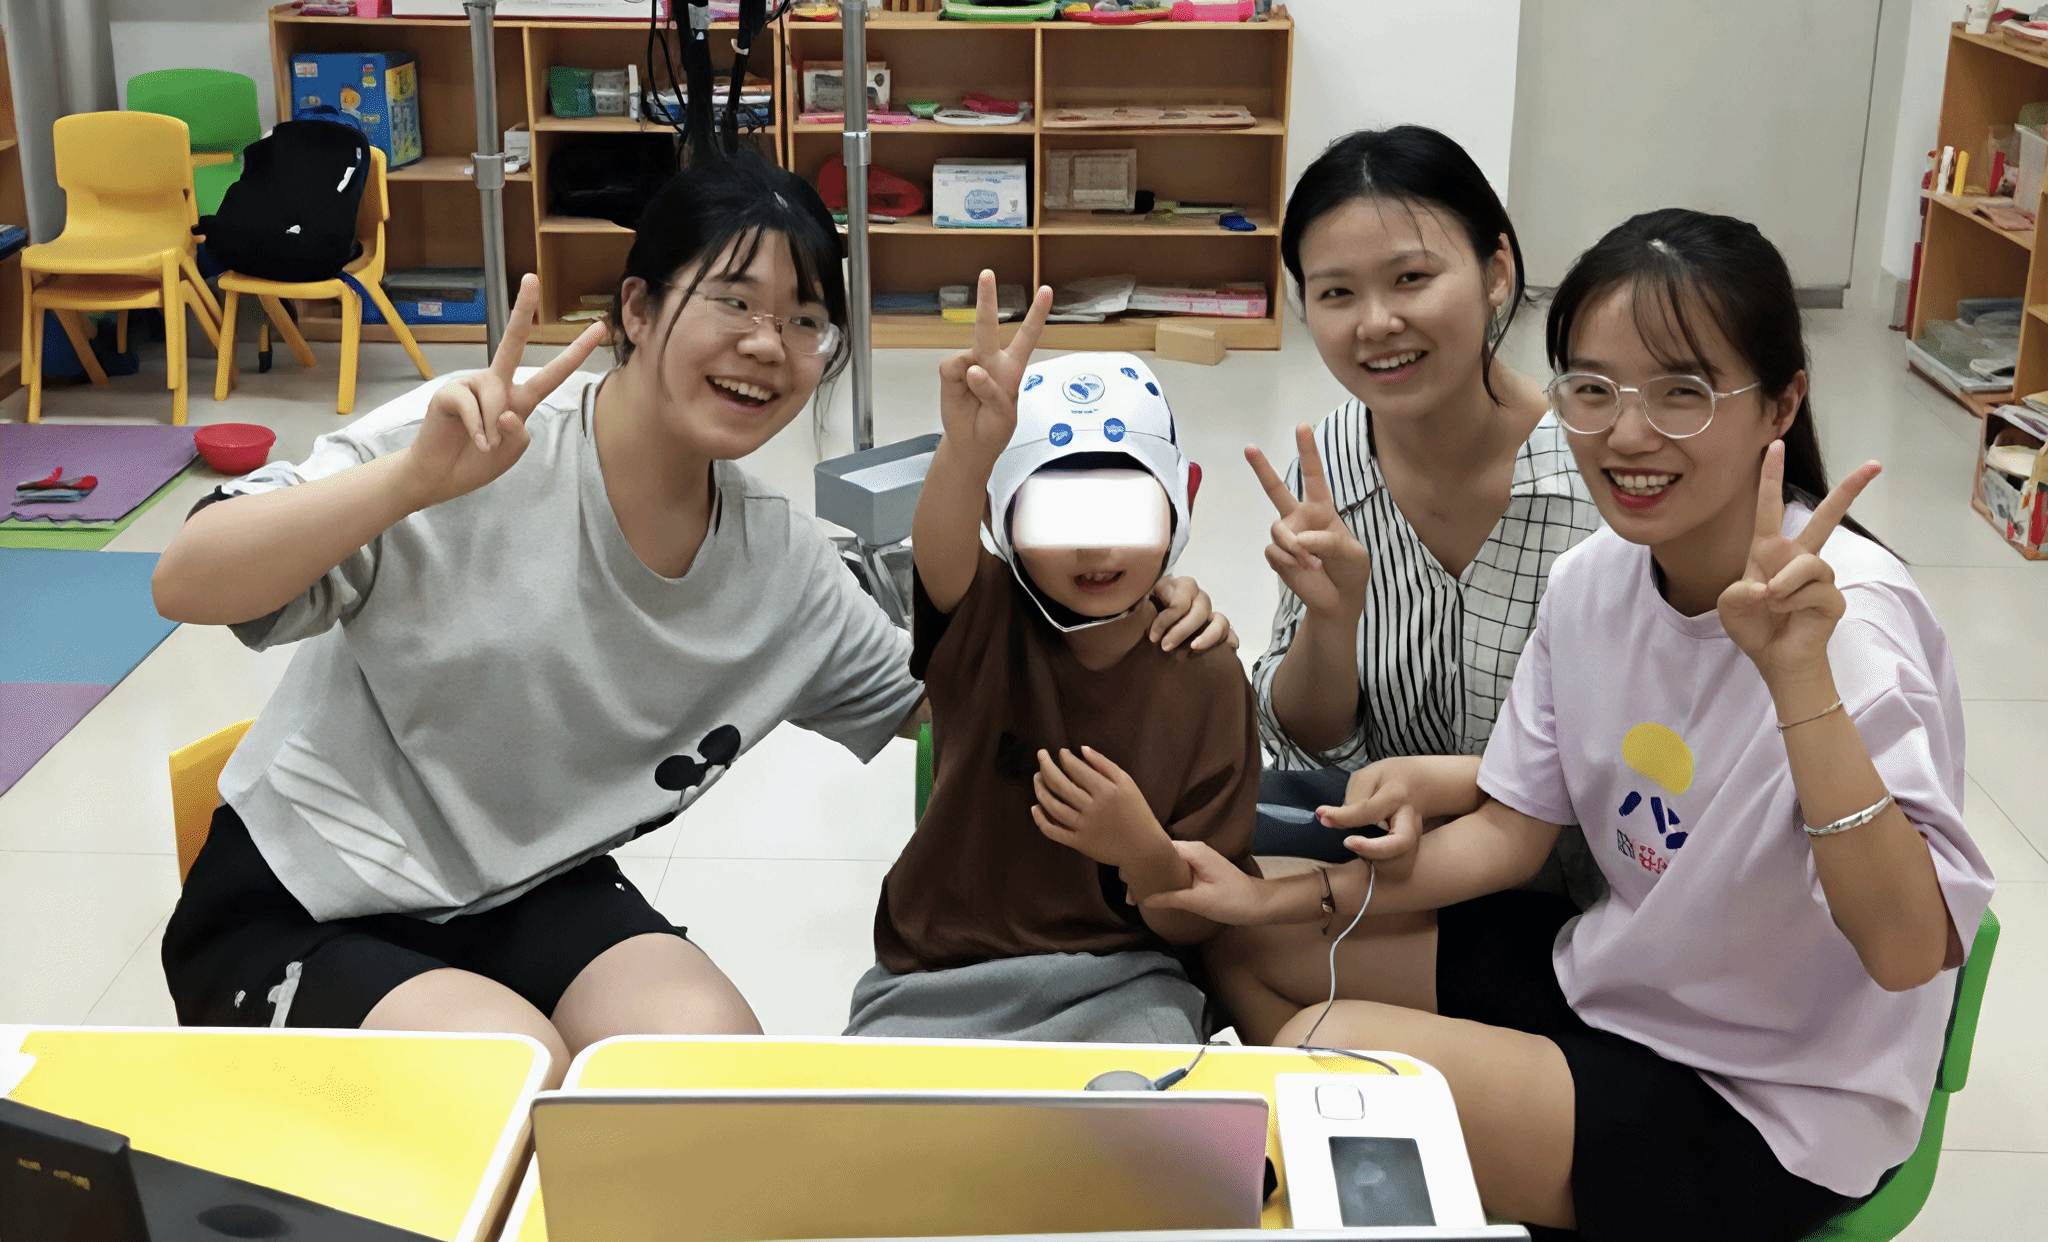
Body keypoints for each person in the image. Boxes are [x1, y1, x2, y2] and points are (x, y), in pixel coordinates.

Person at [154, 153, 1229, 1083]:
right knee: (507, 1071)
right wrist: (408, 485)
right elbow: (186, 580)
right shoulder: (475, 438)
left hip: (532, 889)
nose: (768, 343)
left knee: (706, 1079)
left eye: (804, 320)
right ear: (636, 309)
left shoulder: (783, 568)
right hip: (309, 896)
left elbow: (966, 699)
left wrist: (1128, 611)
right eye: (733, 301)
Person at [1147, 209, 1995, 1242]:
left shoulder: (1850, 621)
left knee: (1324, 1057)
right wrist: (1281, 895)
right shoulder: (1593, 577)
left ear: (1780, 403)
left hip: (1773, 1096)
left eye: (1681, 392)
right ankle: (1414, 1190)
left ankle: (1422, 1178)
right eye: (1592, 389)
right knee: (1242, 936)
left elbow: (1906, 952)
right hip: (1614, 980)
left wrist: (1797, 681)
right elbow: (1509, 833)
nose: (1627, 434)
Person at [844, 271, 1258, 1043]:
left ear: (1179, 504)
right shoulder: (985, 618)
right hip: (937, 972)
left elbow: (1204, 918)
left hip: (1126, 977)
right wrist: (968, 454)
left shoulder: (1207, 673)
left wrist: (1144, 852)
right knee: (877, 1109)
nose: (1096, 546)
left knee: (1147, 1107)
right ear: (1001, 520)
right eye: (1056, 513)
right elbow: (939, 548)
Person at [1246, 126, 1600, 893]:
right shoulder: (1330, 467)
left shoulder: (1597, 479)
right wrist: (1331, 624)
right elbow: (1307, 744)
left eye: (1411, 278)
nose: (1375, 323)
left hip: (1576, 890)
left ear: (1496, 272)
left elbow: (1640, 750)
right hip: (1386, 861)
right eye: (1337, 293)